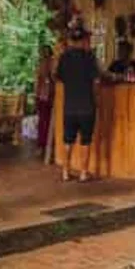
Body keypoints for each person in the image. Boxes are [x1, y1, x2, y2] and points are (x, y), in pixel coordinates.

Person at [54, 27, 102, 182]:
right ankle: (83, 172)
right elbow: (96, 80)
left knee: (68, 140)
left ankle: (65, 171)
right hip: (87, 105)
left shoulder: (64, 58)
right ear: (83, 41)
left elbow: (58, 77)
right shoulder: (89, 58)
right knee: (85, 140)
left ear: (71, 41)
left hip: (69, 106)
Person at [33, 44, 56, 159]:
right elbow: (38, 82)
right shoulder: (42, 64)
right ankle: (43, 146)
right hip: (44, 96)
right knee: (44, 122)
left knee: (45, 122)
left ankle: (45, 146)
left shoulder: (50, 63)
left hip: (47, 96)